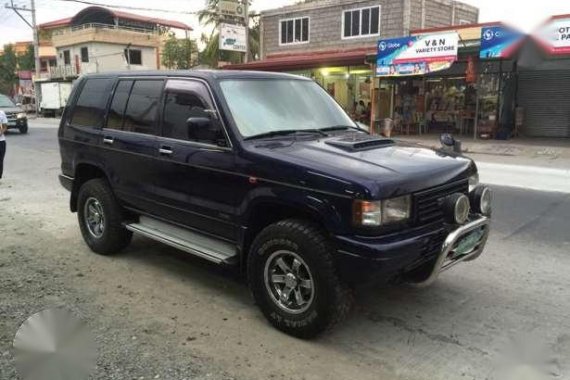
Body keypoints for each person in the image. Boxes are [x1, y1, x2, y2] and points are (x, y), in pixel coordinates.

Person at [0, 109, 6, 179]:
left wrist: (1, 133)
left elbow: (4, 126)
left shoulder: (1, 113)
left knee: (0, 160)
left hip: (1, 141)